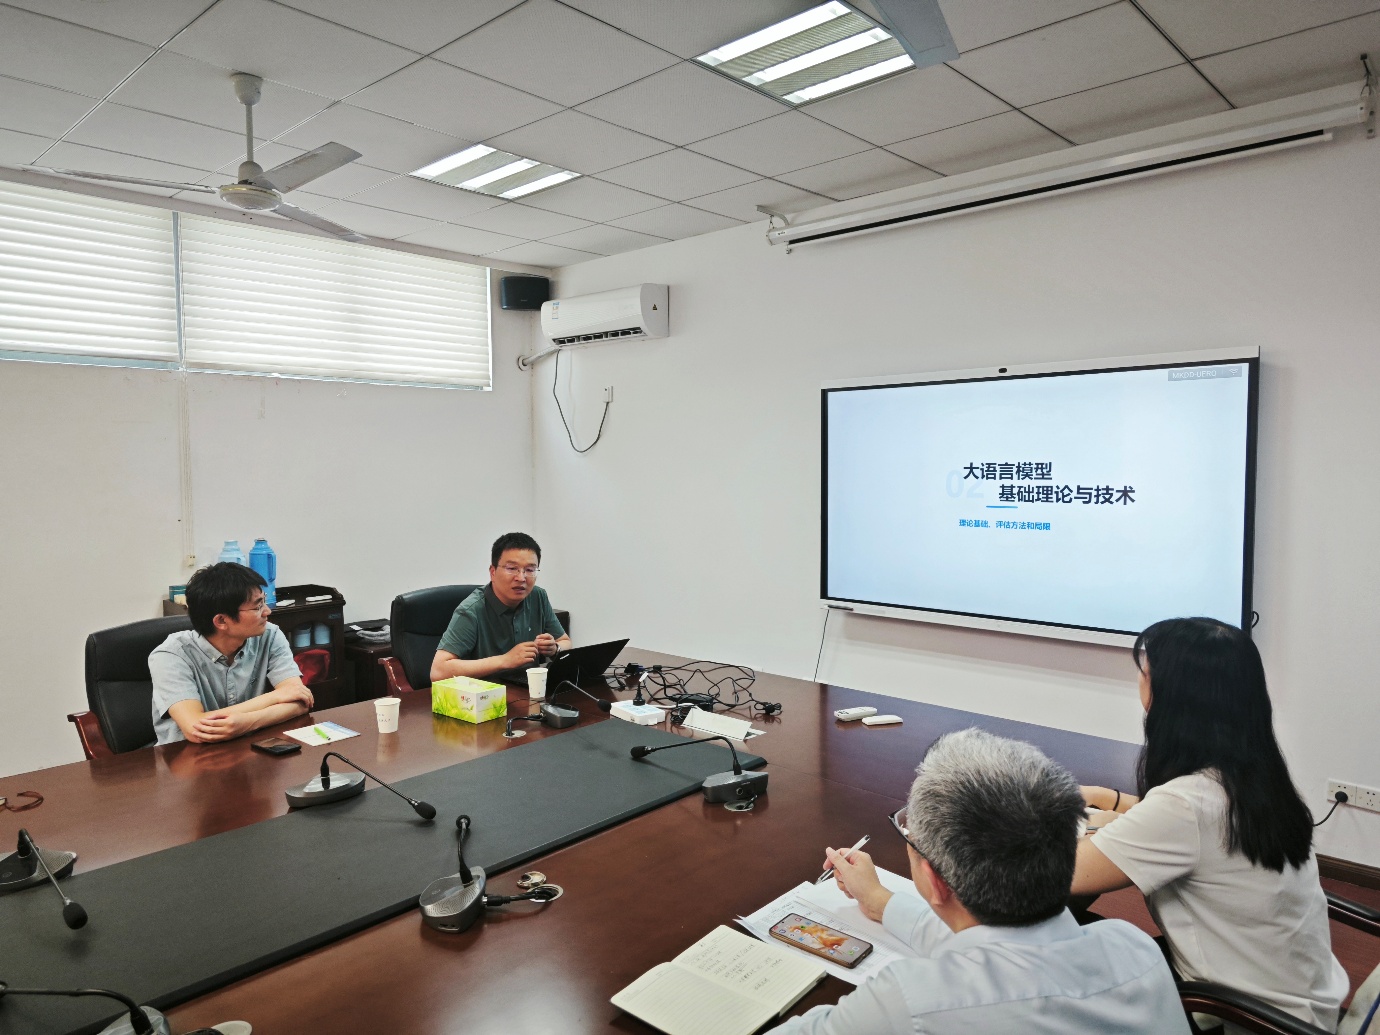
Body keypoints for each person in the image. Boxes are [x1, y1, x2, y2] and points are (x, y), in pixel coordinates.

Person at [777, 728, 1189, 1034]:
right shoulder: (1134, 948)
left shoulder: (914, 1001)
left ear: (934, 880)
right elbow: (997, 952)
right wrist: (880, 900)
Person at [1073, 617, 1347, 1031]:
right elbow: (1192, 825)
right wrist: (1106, 798)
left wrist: (1083, 822)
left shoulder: (1185, 807)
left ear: (1170, 698)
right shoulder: (1255, 780)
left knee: (1052, 942)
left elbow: (1063, 874)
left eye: (1144, 674)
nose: (1140, 683)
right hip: (1301, 1005)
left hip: (1240, 1017)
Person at [150, 562, 313, 745]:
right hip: (188, 756)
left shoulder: (270, 635)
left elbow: (300, 701)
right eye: (257, 607)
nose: (267, 611)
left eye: (264, 601)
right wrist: (275, 697)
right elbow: (196, 729)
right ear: (221, 621)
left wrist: (246, 722)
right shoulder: (171, 656)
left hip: (248, 750)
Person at [431, 532, 571, 682]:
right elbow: (438, 671)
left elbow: (565, 642)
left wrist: (555, 649)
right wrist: (505, 660)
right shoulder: (471, 610)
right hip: (485, 693)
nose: (521, 578)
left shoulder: (538, 596)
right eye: (512, 568)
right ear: (493, 572)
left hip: (528, 689)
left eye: (530, 570)